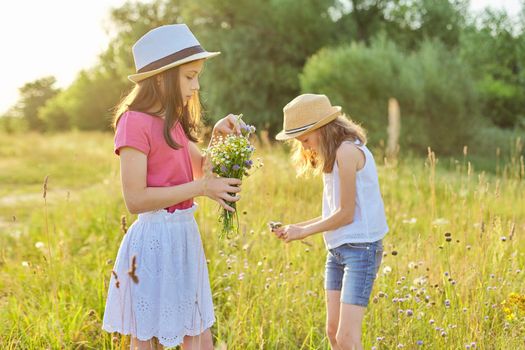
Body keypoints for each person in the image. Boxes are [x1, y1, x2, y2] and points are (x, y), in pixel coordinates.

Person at [102, 24, 242, 350]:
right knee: (147, 336)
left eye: (197, 76)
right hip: (153, 240)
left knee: (198, 334)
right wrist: (201, 188)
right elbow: (135, 199)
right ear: (163, 78)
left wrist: (219, 137)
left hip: (182, 236)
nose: (196, 86)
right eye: (190, 76)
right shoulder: (134, 122)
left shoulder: (173, 121)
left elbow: (200, 168)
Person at [272, 94, 388, 350]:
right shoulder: (333, 154)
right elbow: (335, 212)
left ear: (321, 128)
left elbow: (346, 214)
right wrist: (297, 227)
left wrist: (303, 232)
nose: (305, 147)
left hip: (361, 249)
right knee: (334, 332)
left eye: (305, 139)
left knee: (347, 338)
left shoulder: (347, 151)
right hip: (337, 250)